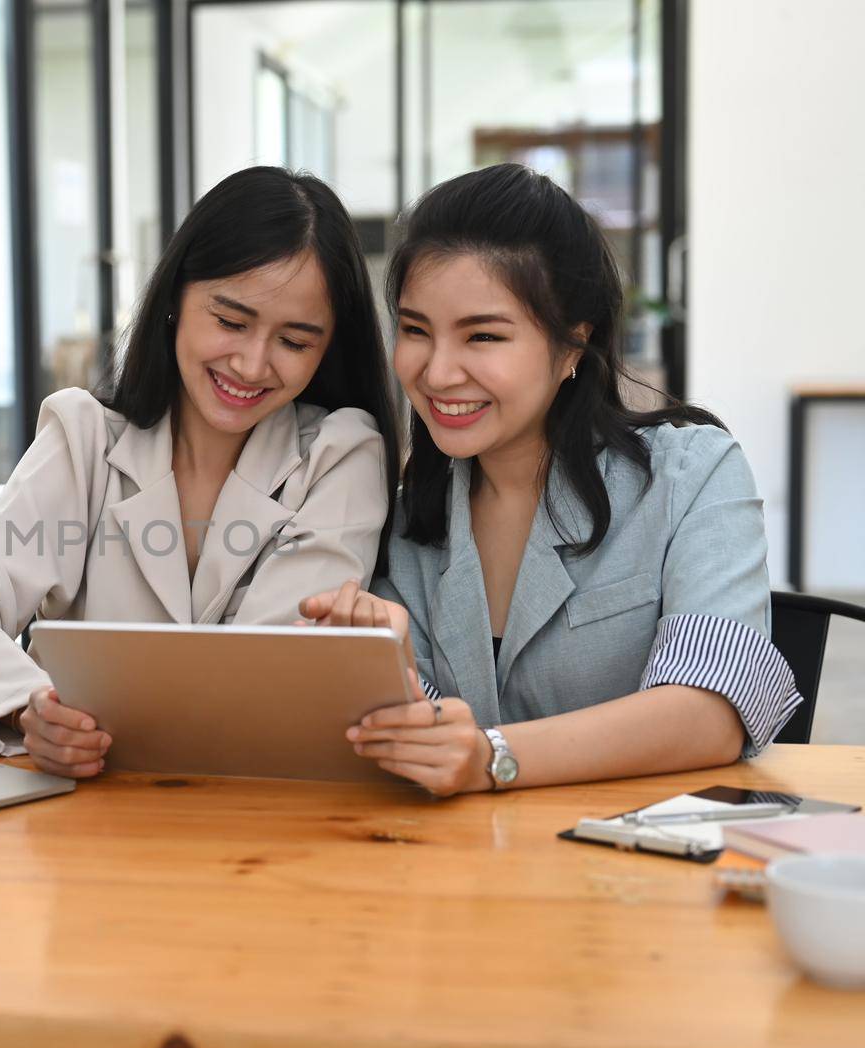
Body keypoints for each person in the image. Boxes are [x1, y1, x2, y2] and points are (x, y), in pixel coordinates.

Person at [0, 166, 400, 776]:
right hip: (75, 825)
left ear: (328, 346)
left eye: (295, 341)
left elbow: (262, 685)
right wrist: (29, 710)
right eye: (230, 322)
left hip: (252, 821)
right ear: (176, 297)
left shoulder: (342, 454)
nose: (253, 364)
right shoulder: (83, 435)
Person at [301, 163, 799, 796]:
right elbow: (425, 743)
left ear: (571, 346)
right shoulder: (401, 520)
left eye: (483, 335)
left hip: (642, 874)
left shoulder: (694, 474)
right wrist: (378, 670)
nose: (438, 371)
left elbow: (713, 713)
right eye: (416, 330)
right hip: (459, 875)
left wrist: (492, 757)